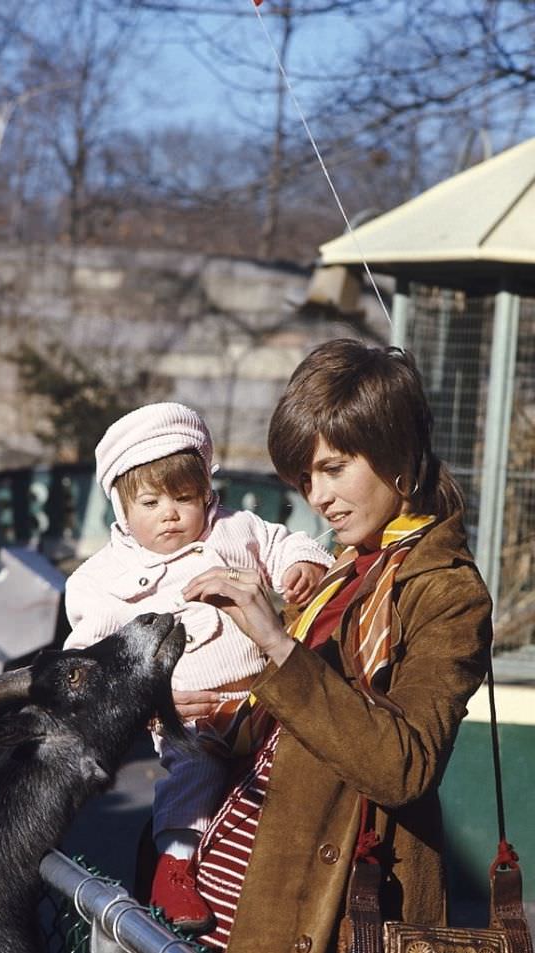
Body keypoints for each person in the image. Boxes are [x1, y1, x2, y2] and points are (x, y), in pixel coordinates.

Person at [180, 340, 493, 952]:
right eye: (304, 476)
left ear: (397, 451)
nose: (316, 496)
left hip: (327, 910)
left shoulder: (446, 590)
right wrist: (214, 710)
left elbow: (404, 766)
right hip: (236, 888)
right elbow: (296, 724)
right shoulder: (342, 571)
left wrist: (275, 638)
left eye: (333, 467)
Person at [63, 401, 333, 933]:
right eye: (151, 501)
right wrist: (143, 707)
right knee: (189, 777)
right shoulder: (101, 580)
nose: (171, 513)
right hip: (192, 718)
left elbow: (287, 541)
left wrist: (303, 563)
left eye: (185, 498)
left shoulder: (235, 530)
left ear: (206, 493)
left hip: (265, 699)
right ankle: (176, 866)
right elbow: (85, 671)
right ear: (120, 507)